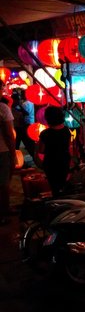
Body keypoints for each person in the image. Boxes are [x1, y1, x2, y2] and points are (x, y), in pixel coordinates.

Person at [37, 106, 71, 197]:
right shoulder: (66, 131)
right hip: (64, 160)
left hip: (51, 162)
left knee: (54, 186)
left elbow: (41, 150)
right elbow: (68, 146)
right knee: (63, 184)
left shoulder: (45, 133)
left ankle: (57, 202)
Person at [0, 91, 16, 225]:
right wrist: (13, 153)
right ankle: (4, 211)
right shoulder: (3, 108)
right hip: (2, 149)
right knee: (3, 182)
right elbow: (9, 133)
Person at [11, 89, 35, 162]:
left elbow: (25, 114)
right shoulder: (30, 103)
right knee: (27, 143)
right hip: (26, 125)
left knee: (21, 144)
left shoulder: (22, 105)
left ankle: (16, 160)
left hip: (22, 126)